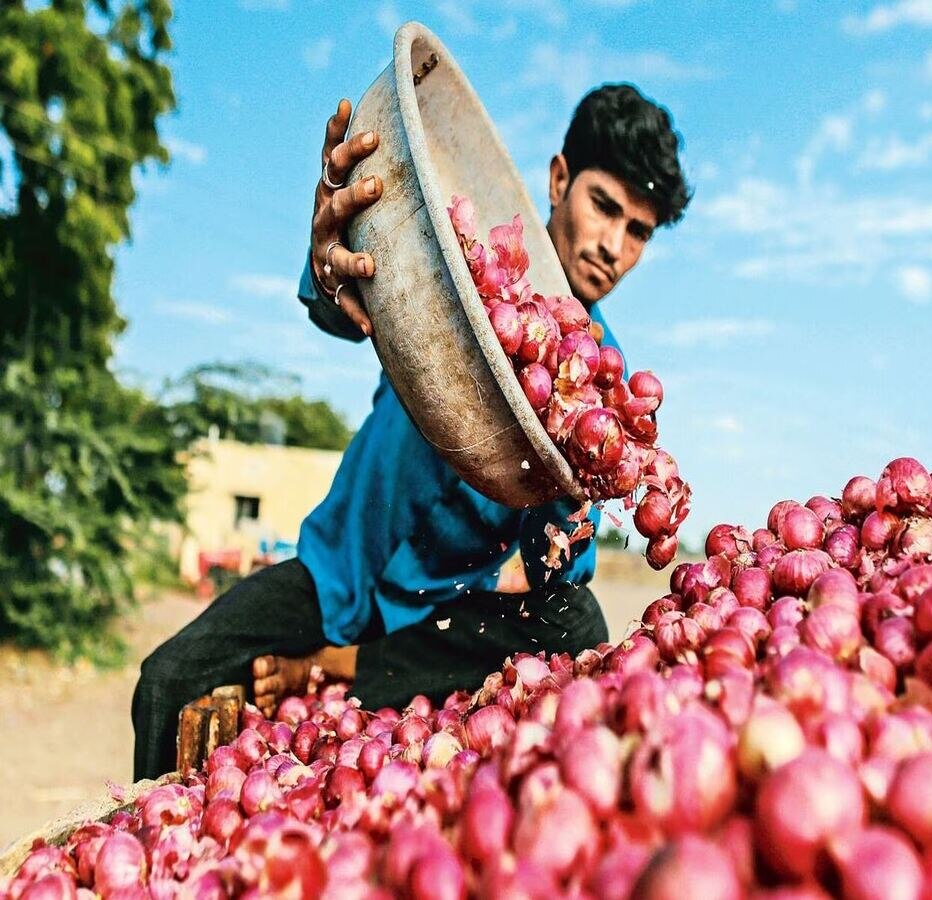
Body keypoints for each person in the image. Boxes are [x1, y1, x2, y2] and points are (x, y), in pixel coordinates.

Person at [131, 83, 692, 781]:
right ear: (557, 180)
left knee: (577, 624)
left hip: (439, 622)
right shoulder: (463, 267)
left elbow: (557, 579)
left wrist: (572, 506)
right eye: (604, 206)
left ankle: (345, 671)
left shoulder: (602, 392)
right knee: (167, 678)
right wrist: (329, 260)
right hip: (337, 575)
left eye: (637, 231)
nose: (613, 244)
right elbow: (350, 303)